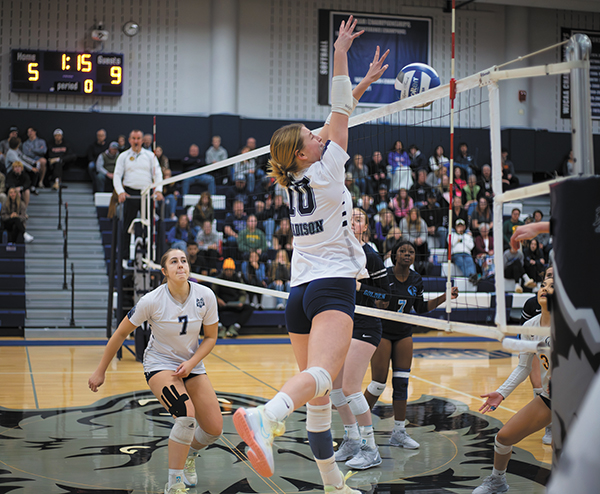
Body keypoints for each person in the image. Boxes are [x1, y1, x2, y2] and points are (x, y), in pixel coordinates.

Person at [232, 19, 388, 493]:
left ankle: (332, 485)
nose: (320, 136)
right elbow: (338, 112)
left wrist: (359, 86)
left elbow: (335, 116)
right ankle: (263, 418)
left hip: (298, 292)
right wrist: (341, 53)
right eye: (312, 137)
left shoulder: (294, 175)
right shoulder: (328, 169)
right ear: (304, 154)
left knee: (319, 401)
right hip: (333, 285)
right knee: (324, 378)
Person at [88, 248, 222, 494]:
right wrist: (100, 371)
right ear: (165, 271)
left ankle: (189, 454)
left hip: (191, 364)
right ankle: (174, 482)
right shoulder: (151, 300)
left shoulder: (206, 296)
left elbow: (211, 337)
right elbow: (120, 333)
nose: (180, 265)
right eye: (174, 262)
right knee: (185, 415)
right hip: (160, 364)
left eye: (183, 261)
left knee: (214, 428)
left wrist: (192, 363)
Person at [364, 240, 458, 448]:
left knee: (402, 383)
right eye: (403, 251)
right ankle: (358, 427)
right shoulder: (384, 275)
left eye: (411, 252)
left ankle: (399, 431)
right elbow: (371, 299)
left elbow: (421, 307)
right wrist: (380, 302)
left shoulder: (416, 279)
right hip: (383, 332)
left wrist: (446, 297)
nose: (407, 254)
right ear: (394, 255)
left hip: (404, 333)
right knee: (378, 384)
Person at [474, 277, 553, 494]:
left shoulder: (570, 324)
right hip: (550, 397)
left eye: (552, 286)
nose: (545, 288)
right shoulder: (530, 326)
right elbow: (524, 367)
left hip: (577, 399)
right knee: (504, 437)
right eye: (544, 285)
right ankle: (497, 480)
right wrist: (501, 393)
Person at [332, 208, 388, 470]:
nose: (353, 222)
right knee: (334, 387)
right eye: (349, 218)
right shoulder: (337, 253)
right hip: (341, 324)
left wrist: (360, 287)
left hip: (366, 325)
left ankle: (371, 448)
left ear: (365, 227)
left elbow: (387, 295)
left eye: (358, 219)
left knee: (350, 387)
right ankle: (352, 439)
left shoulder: (371, 256)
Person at [113, 129, 164, 258]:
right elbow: (117, 176)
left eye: (138, 138)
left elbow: (158, 174)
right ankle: (124, 257)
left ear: (142, 140)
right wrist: (121, 192)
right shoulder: (123, 156)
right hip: (130, 195)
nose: (136, 141)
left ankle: (150, 256)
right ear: (129, 140)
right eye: (133, 138)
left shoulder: (150, 156)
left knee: (149, 227)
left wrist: (158, 190)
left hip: (146, 195)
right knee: (126, 227)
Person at [213, 257, 254, 338]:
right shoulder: (218, 279)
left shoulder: (238, 279)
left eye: (230, 270)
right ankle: (220, 327)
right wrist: (217, 299)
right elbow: (212, 293)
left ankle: (235, 326)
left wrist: (241, 302)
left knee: (249, 308)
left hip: (235, 304)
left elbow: (243, 293)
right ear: (224, 270)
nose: (229, 272)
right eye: (227, 270)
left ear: (233, 270)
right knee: (211, 307)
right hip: (222, 304)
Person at [399, 207, 429, 274]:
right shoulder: (404, 221)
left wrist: (420, 239)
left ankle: (424, 264)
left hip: (419, 241)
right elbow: (404, 235)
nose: (413, 216)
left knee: (425, 245)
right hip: (409, 241)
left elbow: (425, 234)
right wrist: (414, 240)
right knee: (410, 246)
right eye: (412, 214)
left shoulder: (422, 222)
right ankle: (414, 264)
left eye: (415, 214)